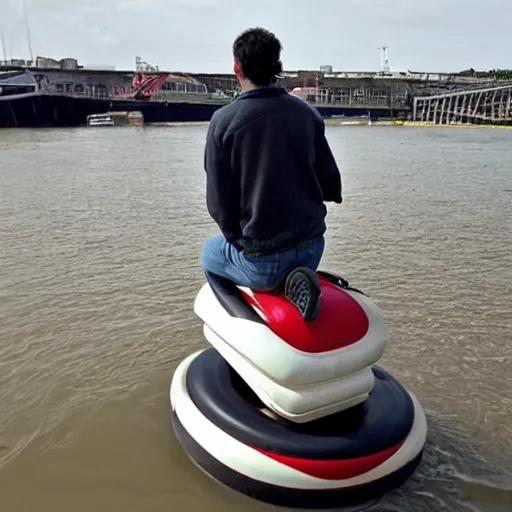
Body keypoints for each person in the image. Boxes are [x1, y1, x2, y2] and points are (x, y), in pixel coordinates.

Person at [200, 27, 342, 322]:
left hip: (261, 260)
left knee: (209, 254)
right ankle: (293, 283)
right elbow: (331, 184)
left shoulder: (223, 122)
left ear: (237, 68)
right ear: (280, 67)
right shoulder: (307, 114)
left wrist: (239, 241)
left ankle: (249, 324)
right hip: (313, 247)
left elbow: (218, 203)